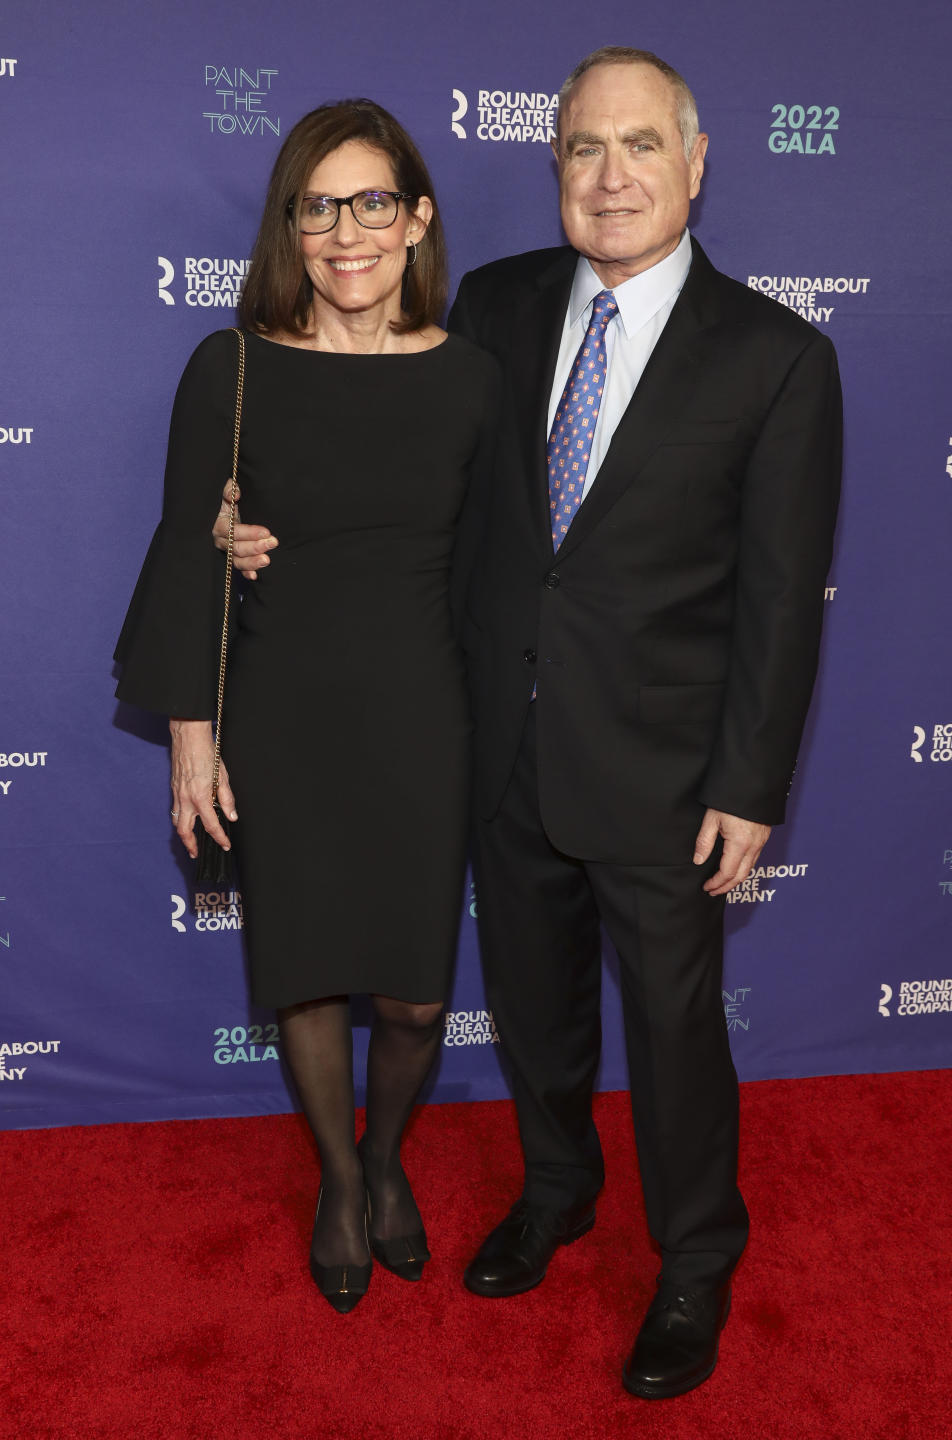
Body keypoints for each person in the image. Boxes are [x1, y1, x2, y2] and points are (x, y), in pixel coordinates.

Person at [220, 47, 841, 1394]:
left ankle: (692, 1262)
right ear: (552, 166)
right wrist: (239, 522)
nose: (609, 177)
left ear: (695, 161)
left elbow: (786, 598)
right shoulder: (491, 309)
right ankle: (556, 1190)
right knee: (537, 1011)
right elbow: (375, 461)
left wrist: (750, 780)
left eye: (638, 146)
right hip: (495, 743)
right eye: (580, 149)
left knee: (676, 1032)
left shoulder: (779, 358)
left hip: (669, 771)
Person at [115, 99, 499, 1315]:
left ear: (418, 217)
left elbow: (504, 570)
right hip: (282, 716)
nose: (347, 233)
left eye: (373, 202)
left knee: (416, 992)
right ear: (292, 226)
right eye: (319, 206)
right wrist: (191, 739)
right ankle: (343, 1181)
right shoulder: (229, 369)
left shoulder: (474, 381)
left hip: (426, 718)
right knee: (309, 976)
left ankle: (390, 1159)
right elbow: (186, 548)